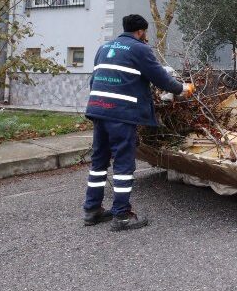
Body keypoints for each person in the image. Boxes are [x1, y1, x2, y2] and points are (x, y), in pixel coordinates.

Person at [82, 14, 193, 231]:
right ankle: (122, 215)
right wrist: (182, 89)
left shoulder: (104, 48)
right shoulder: (140, 49)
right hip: (120, 114)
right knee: (124, 163)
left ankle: (91, 210)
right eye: (146, 33)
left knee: (99, 160)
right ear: (141, 32)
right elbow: (160, 78)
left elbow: (94, 80)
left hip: (98, 109)